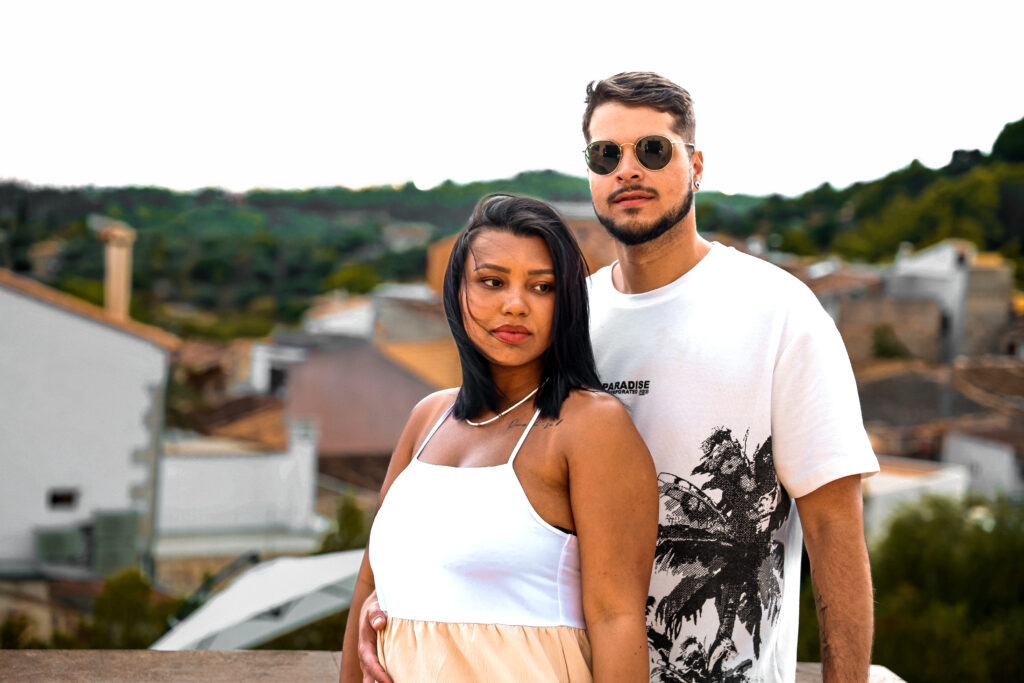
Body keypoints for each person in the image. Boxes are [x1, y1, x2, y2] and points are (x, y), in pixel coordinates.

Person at [355, 74, 881, 682]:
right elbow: (489, 489)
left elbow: (835, 533)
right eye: (606, 154)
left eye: (652, 150)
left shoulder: (779, 314)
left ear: (696, 165)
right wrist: (402, 596)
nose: (627, 169)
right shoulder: (565, 314)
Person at [339, 194, 658, 683]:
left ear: (567, 304)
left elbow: (616, 621)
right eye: (492, 281)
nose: (515, 304)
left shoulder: (589, 426)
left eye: (542, 287)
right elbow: (369, 584)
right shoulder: (428, 417)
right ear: (457, 290)